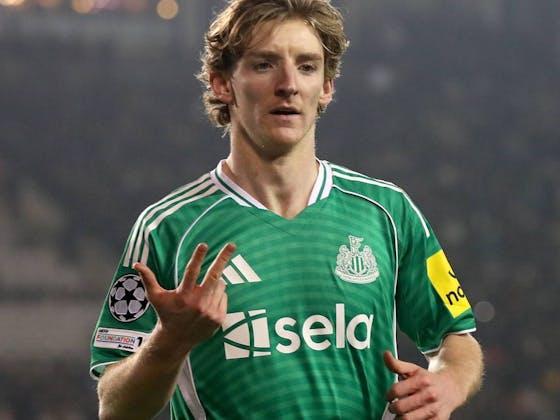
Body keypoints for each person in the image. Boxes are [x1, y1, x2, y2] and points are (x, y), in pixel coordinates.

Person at [90, 0, 484, 419]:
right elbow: (115, 406)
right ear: (222, 83)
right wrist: (169, 342)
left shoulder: (387, 211)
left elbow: (456, 337)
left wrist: (448, 382)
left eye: (307, 67)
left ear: (326, 87)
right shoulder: (167, 228)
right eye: (264, 65)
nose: (289, 84)